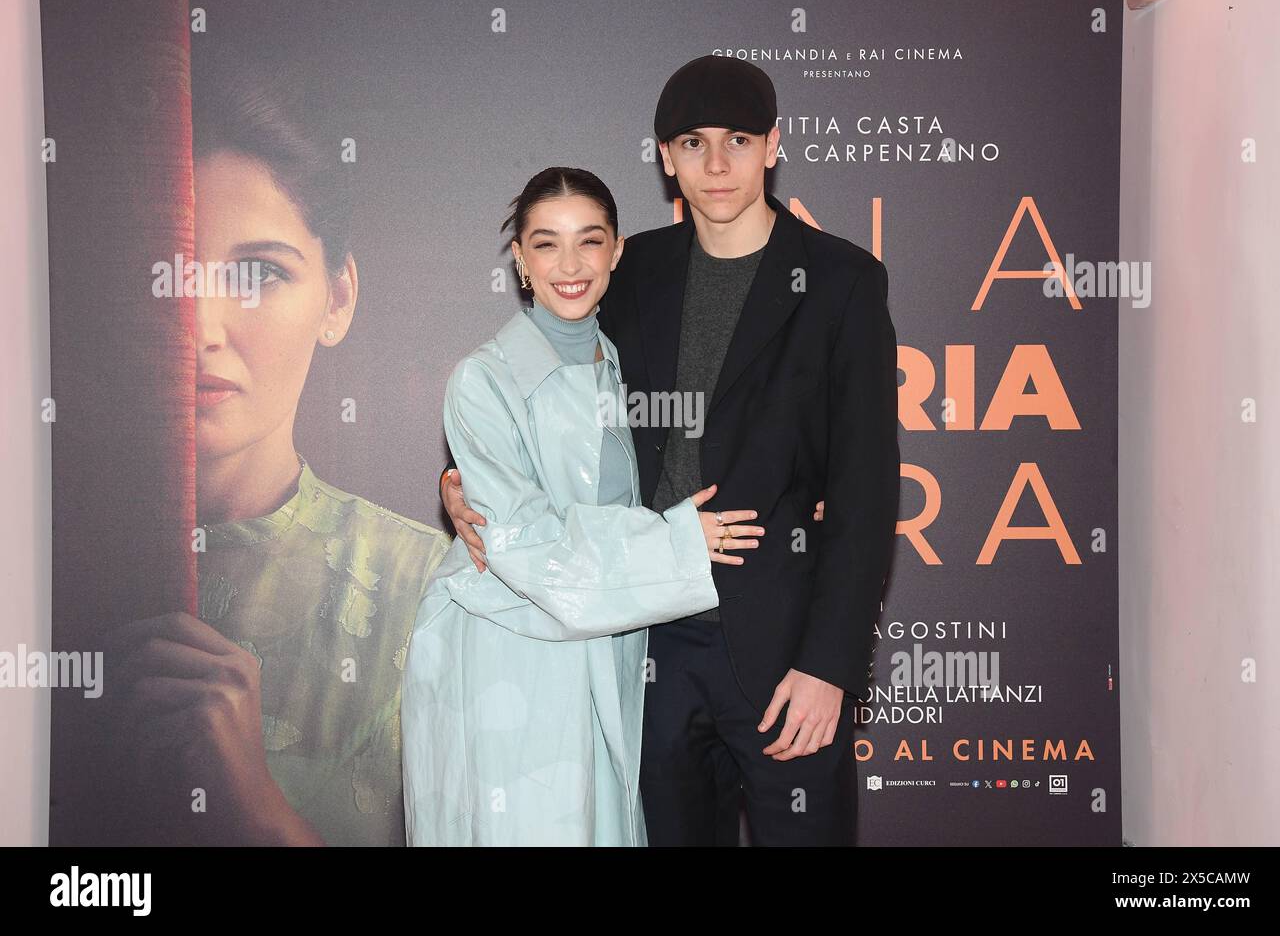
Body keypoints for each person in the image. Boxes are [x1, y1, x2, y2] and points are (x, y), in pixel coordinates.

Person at [442, 55, 900, 846]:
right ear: (664, 157)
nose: (716, 164)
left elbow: (866, 491)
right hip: (644, 643)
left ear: (773, 146)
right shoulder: (628, 268)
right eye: (692, 143)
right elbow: (546, 391)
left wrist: (830, 665)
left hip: (785, 645)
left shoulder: (840, 282)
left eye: (738, 140)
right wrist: (464, 482)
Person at [98, 54, 451, 846]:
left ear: (337, 298)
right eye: (169, 274)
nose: (202, 329)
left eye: (257, 273)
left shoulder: (439, 601)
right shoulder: (46, 571)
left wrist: (256, 812)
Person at [402, 167, 764, 846]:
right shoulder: (483, 380)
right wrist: (680, 545)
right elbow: (525, 540)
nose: (570, 266)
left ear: (616, 251)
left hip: (614, 648)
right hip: (508, 647)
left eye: (589, 241)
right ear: (520, 259)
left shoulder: (634, 369)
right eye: (546, 244)